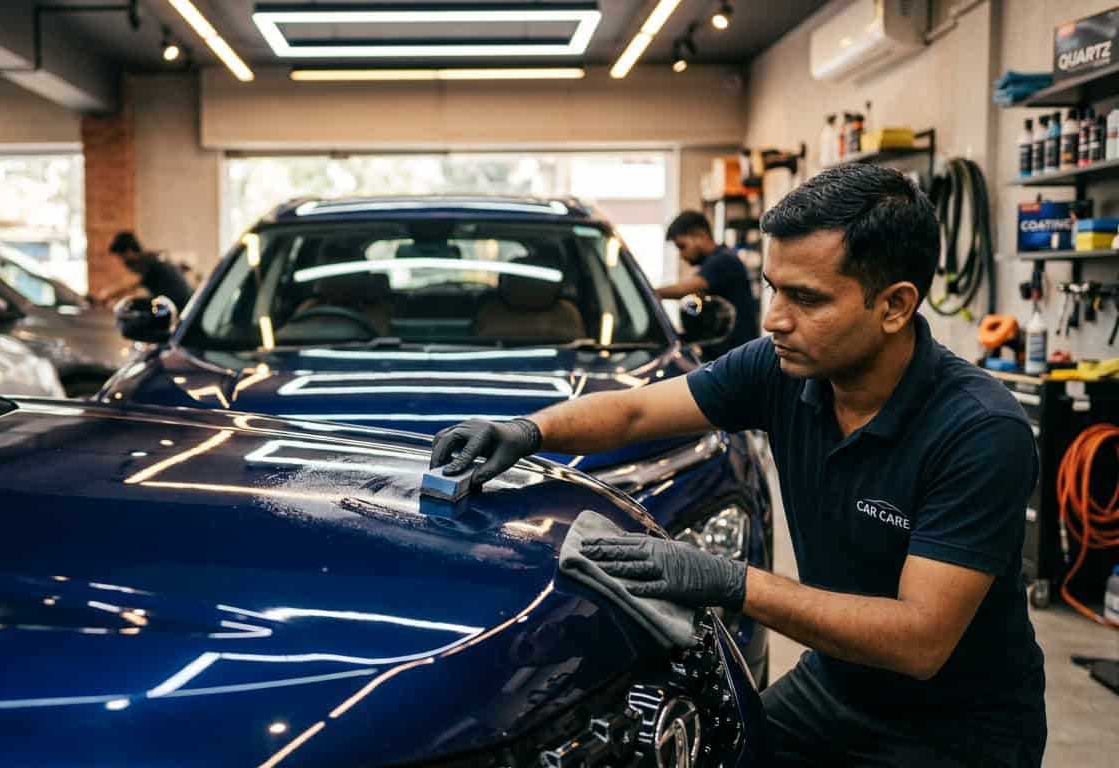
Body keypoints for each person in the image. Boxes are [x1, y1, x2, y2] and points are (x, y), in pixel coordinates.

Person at [430, 164, 1046, 767]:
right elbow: (635, 414)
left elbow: (919, 640)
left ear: (894, 306)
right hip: (833, 689)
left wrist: (730, 581)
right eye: (775, 289)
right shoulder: (777, 367)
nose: (775, 318)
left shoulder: (978, 432)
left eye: (806, 298)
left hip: (956, 728)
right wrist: (529, 429)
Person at [656, 211, 760, 358]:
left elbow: (685, 289)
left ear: (699, 235)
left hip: (736, 355)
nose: (681, 255)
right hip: (727, 353)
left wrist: (648, 293)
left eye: (682, 246)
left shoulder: (723, 260)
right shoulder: (715, 261)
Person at [92, 231, 193, 311]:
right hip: (180, 304)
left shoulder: (144, 261)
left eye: (121, 256)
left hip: (179, 306)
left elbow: (129, 284)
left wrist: (103, 296)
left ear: (129, 250)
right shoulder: (149, 258)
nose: (122, 261)